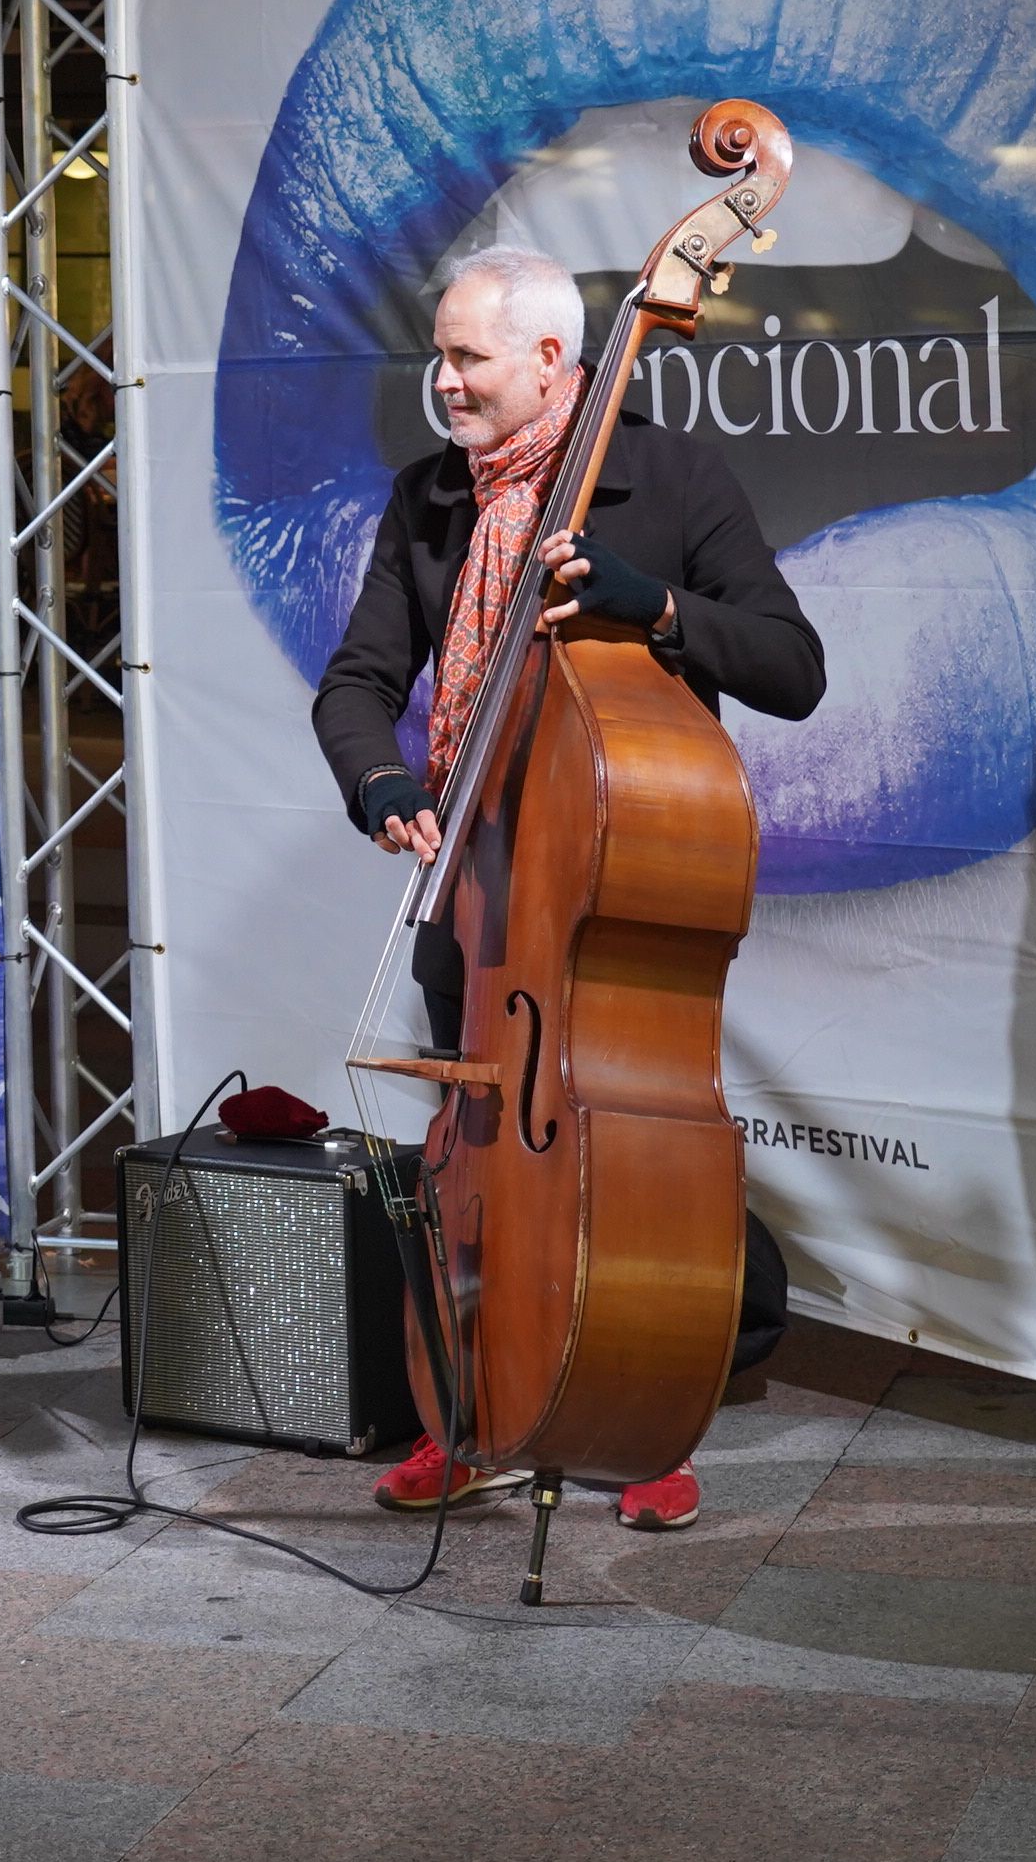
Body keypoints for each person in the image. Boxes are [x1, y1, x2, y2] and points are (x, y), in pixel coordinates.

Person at [310, 246, 826, 1532]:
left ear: (553, 361)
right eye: (438, 355)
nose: (446, 382)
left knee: (633, 1160)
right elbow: (359, 682)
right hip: (474, 893)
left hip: (600, 897)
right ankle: (473, 1416)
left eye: (469, 358)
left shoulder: (672, 477)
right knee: (472, 1171)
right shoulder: (428, 499)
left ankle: (645, 1417)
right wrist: (380, 783)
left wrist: (658, 608)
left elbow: (792, 665)